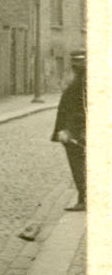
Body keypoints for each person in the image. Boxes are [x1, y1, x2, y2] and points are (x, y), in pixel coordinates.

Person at [52, 53, 86, 208]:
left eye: (78, 61)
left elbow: (81, 109)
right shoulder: (79, 79)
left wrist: (69, 130)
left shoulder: (84, 81)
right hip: (75, 130)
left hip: (76, 132)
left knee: (78, 163)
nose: (75, 64)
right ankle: (83, 197)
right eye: (74, 61)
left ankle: (84, 199)